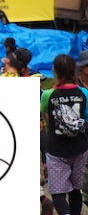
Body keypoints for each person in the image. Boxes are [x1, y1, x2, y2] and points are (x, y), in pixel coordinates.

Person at [42, 55, 88, 213]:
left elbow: (48, 121)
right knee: (76, 189)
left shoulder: (48, 95)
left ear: (55, 72)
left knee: (58, 193)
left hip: (57, 150)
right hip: (80, 148)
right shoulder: (83, 94)